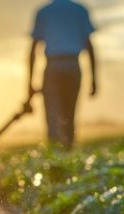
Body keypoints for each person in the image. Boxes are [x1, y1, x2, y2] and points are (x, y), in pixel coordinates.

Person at [28, 0, 98, 149]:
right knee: (69, 114)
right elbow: (89, 46)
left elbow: (33, 49)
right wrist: (94, 79)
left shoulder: (44, 11)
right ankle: (67, 149)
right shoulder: (79, 10)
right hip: (73, 64)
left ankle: (55, 153)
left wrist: (29, 82)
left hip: (53, 65)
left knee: (52, 114)